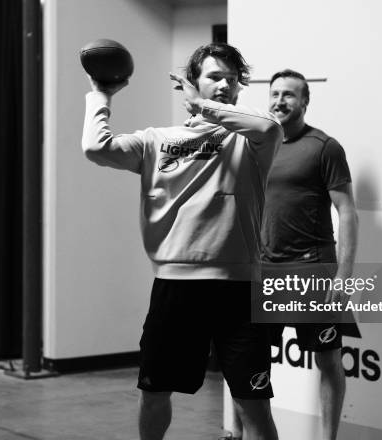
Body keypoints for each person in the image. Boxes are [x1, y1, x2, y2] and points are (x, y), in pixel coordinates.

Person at [81, 43, 282, 440]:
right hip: (176, 288)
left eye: (231, 78)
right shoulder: (156, 140)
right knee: (155, 393)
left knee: (252, 402)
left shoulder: (252, 142)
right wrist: (100, 94)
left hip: (239, 292)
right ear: (192, 81)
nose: (224, 85)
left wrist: (203, 105)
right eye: (213, 77)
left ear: (240, 87)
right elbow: (95, 147)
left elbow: (269, 127)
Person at [226, 69, 359, 440]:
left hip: (312, 269)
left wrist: (344, 276)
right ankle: (238, 433)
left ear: (305, 101)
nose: (280, 100)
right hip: (261, 272)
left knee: (329, 359)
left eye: (289, 94)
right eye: (275, 94)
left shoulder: (324, 147)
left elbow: (347, 211)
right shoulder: (255, 144)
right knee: (246, 359)